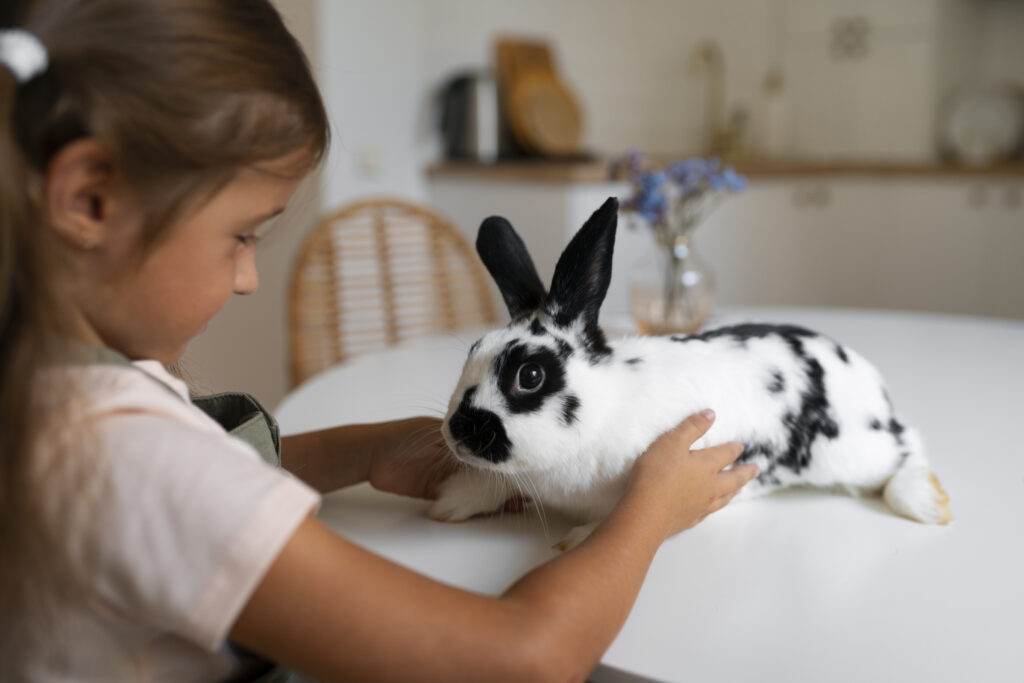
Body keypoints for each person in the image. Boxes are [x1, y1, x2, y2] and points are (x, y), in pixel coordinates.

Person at [0, 1, 759, 681]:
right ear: (88, 198)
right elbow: (526, 657)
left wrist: (362, 451)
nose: (246, 279)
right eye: (241, 236)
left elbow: (198, 471)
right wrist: (653, 507)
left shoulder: (54, 388)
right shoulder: (111, 457)